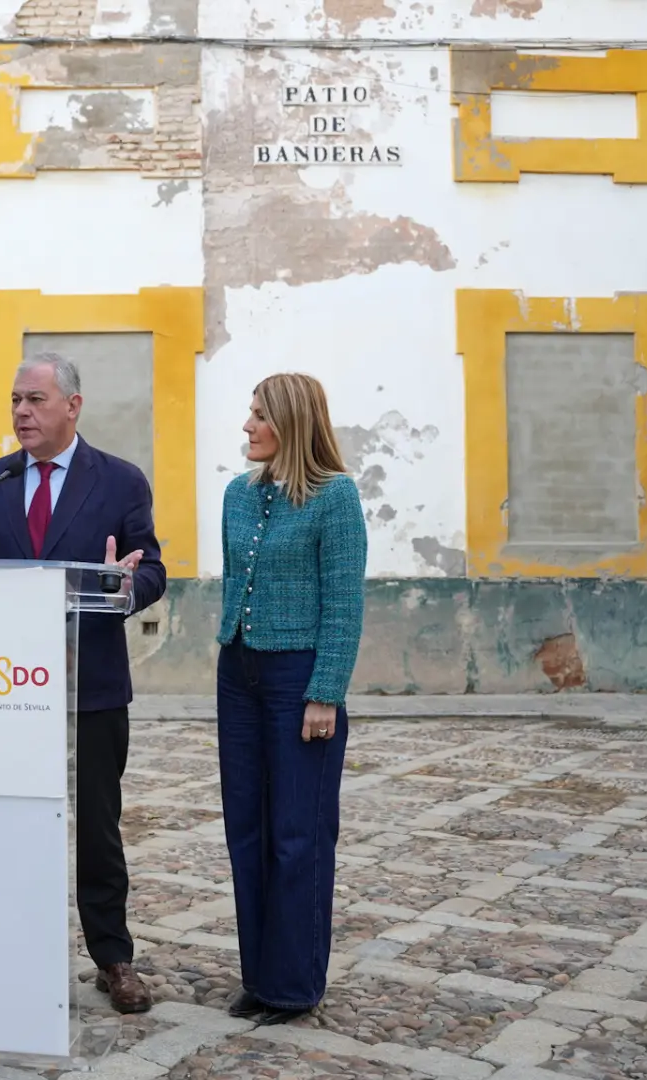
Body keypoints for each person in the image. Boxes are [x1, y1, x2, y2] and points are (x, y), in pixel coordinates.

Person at [0, 355, 166, 1014]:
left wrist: (125, 585)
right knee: (15, 820)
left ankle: (112, 956)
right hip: (9, 691)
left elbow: (151, 567)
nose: (21, 412)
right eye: (16, 400)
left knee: (97, 828)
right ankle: (17, 950)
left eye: (36, 400)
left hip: (92, 686)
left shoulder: (121, 481)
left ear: (73, 406)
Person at [216, 372, 367, 1025]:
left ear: (292, 424)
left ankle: (295, 984)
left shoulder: (337, 499)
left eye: (258, 416)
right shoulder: (236, 494)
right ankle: (260, 976)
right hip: (237, 673)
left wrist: (325, 693)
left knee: (298, 835)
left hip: (298, 679)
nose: (247, 426)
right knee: (246, 829)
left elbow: (344, 603)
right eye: (248, 414)